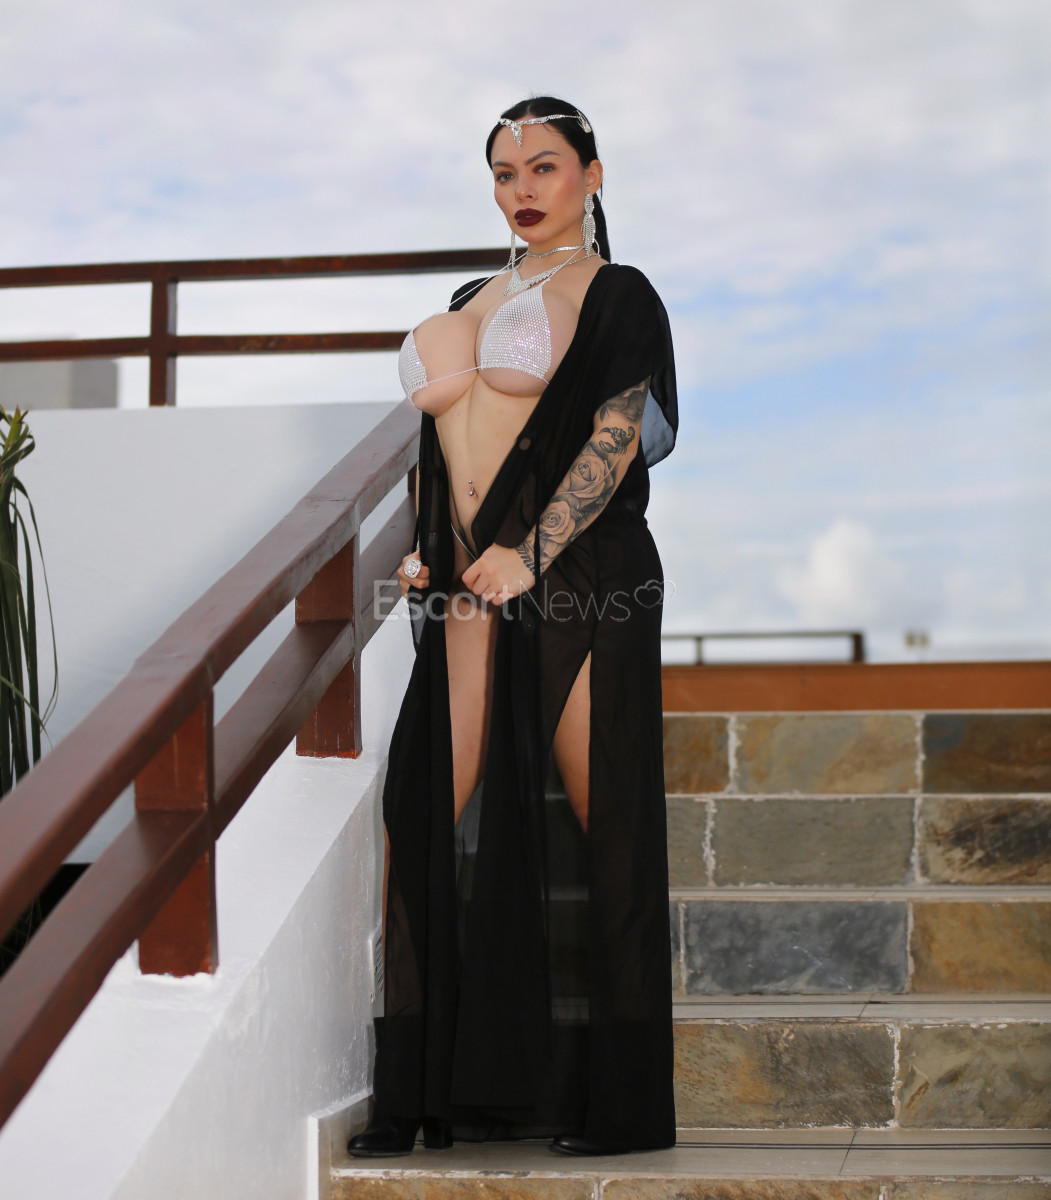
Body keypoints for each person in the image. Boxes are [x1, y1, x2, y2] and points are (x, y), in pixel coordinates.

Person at [348, 96, 679, 1159]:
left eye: (544, 166)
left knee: (608, 821)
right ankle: (416, 1092)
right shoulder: (469, 298)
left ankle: (626, 1106)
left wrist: (528, 554)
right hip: (469, 581)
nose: (522, 189)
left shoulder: (619, 293)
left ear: (591, 175)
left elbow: (615, 437)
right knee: (416, 810)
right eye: (504, 171)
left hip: (581, 575)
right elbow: (444, 445)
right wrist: (424, 546)